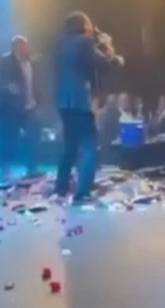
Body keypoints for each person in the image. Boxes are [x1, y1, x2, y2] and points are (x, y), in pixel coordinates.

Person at [53, 11, 123, 204]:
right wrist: (107, 45)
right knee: (89, 145)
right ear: (83, 25)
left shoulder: (61, 43)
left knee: (69, 145)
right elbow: (104, 64)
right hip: (80, 100)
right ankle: (82, 191)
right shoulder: (85, 42)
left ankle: (60, 187)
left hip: (63, 101)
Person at [0, 36, 40, 180]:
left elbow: (37, 83)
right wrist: (8, 87)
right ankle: (6, 168)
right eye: (21, 45)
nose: (24, 48)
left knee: (33, 137)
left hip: (30, 106)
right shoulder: (5, 61)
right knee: (9, 138)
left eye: (25, 45)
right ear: (15, 47)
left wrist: (39, 102)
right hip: (11, 107)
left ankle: (32, 168)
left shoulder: (32, 62)